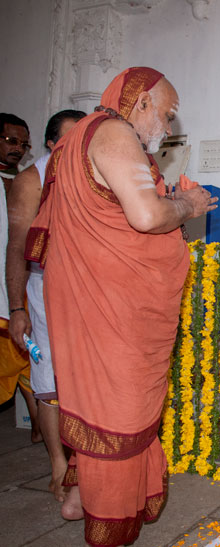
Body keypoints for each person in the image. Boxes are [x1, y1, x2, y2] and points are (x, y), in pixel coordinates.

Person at [25, 67, 217, 547]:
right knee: (120, 413)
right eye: (167, 115)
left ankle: (77, 497)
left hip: (94, 301)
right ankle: (109, 525)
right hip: (112, 310)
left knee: (99, 403)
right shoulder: (114, 132)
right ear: (142, 102)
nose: (167, 129)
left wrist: (171, 200)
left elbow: (114, 215)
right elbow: (146, 216)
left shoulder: (79, 139)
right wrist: (188, 204)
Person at [6, 109, 86, 502]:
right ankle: (57, 464)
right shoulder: (31, 180)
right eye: (67, 141)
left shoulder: (97, 173)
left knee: (87, 376)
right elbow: (17, 248)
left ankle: (87, 459)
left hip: (91, 289)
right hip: (44, 288)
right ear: (51, 144)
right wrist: (17, 308)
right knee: (48, 377)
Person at [0, 112, 40, 442]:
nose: (18, 149)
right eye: (11, 141)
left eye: (24, 144)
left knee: (27, 353)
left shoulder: (26, 181)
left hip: (19, 283)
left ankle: (38, 424)